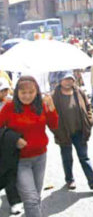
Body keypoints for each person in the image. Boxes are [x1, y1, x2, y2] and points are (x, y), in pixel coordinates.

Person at [0, 76, 58, 217]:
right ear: (16, 92)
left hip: (40, 157)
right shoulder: (9, 107)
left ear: (37, 92)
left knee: (36, 197)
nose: (27, 96)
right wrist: (14, 139)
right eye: (23, 92)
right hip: (19, 160)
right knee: (31, 199)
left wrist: (51, 107)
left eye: (31, 92)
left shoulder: (42, 105)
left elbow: (54, 126)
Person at [52, 71, 93, 190]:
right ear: (60, 81)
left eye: (70, 79)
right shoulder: (54, 96)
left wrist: (89, 120)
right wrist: (56, 131)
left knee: (84, 156)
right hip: (63, 132)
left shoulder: (79, 92)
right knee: (67, 158)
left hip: (79, 131)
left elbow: (88, 106)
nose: (68, 81)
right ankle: (69, 180)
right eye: (65, 79)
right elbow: (50, 115)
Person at [0, 77, 22, 215]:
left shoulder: (11, 102)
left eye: (5, 90)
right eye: (2, 91)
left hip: (8, 142)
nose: (4, 93)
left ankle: (14, 202)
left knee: (10, 173)